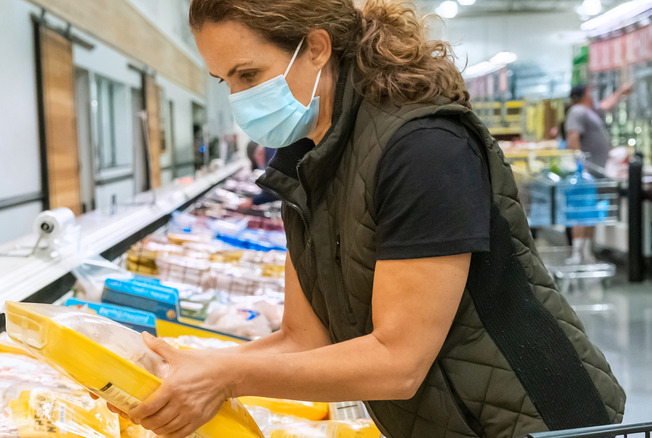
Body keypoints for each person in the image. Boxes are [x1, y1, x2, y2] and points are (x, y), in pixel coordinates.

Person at [103, 1, 625, 437]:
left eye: (249, 74)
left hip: (534, 417)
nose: (239, 98)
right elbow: (302, 339)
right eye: (225, 81)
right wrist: (185, 368)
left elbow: (399, 360)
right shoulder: (306, 162)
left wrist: (227, 376)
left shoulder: (422, 148)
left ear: (315, 48)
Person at [566, 83, 631, 264]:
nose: (593, 94)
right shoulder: (577, 112)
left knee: (590, 212)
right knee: (581, 211)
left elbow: (605, 105)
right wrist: (579, 165)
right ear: (584, 94)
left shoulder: (591, 113)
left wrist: (620, 92)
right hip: (585, 172)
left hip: (596, 172)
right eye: (590, 91)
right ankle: (577, 252)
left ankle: (587, 250)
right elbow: (573, 137)